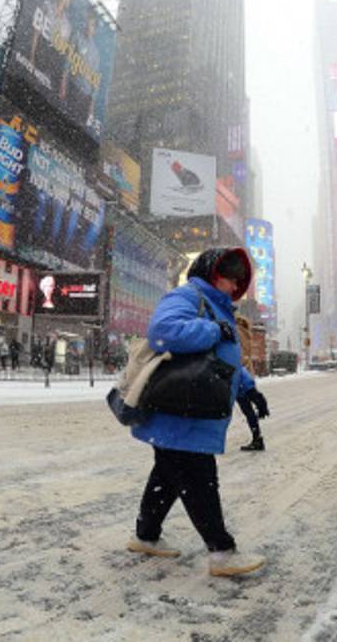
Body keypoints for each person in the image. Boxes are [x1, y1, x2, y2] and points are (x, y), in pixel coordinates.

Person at [126, 247, 265, 578]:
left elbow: (221, 361)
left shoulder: (218, 307)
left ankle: (145, 535)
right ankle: (222, 552)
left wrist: (248, 387)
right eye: (230, 277)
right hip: (182, 408)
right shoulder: (188, 296)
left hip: (190, 406)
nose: (235, 285)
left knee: (167, 475)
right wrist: (214, 330)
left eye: (239, 280)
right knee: (199, 477)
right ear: (211, 272)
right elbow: (163, 331)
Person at [235, 314, 270, 452]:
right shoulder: (246, 332)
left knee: (245, 408)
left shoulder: (236, 331)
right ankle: (257, 438)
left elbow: (236, 353)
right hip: (246, 371)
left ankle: (257, 438)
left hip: (237, 372)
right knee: (247, 408)